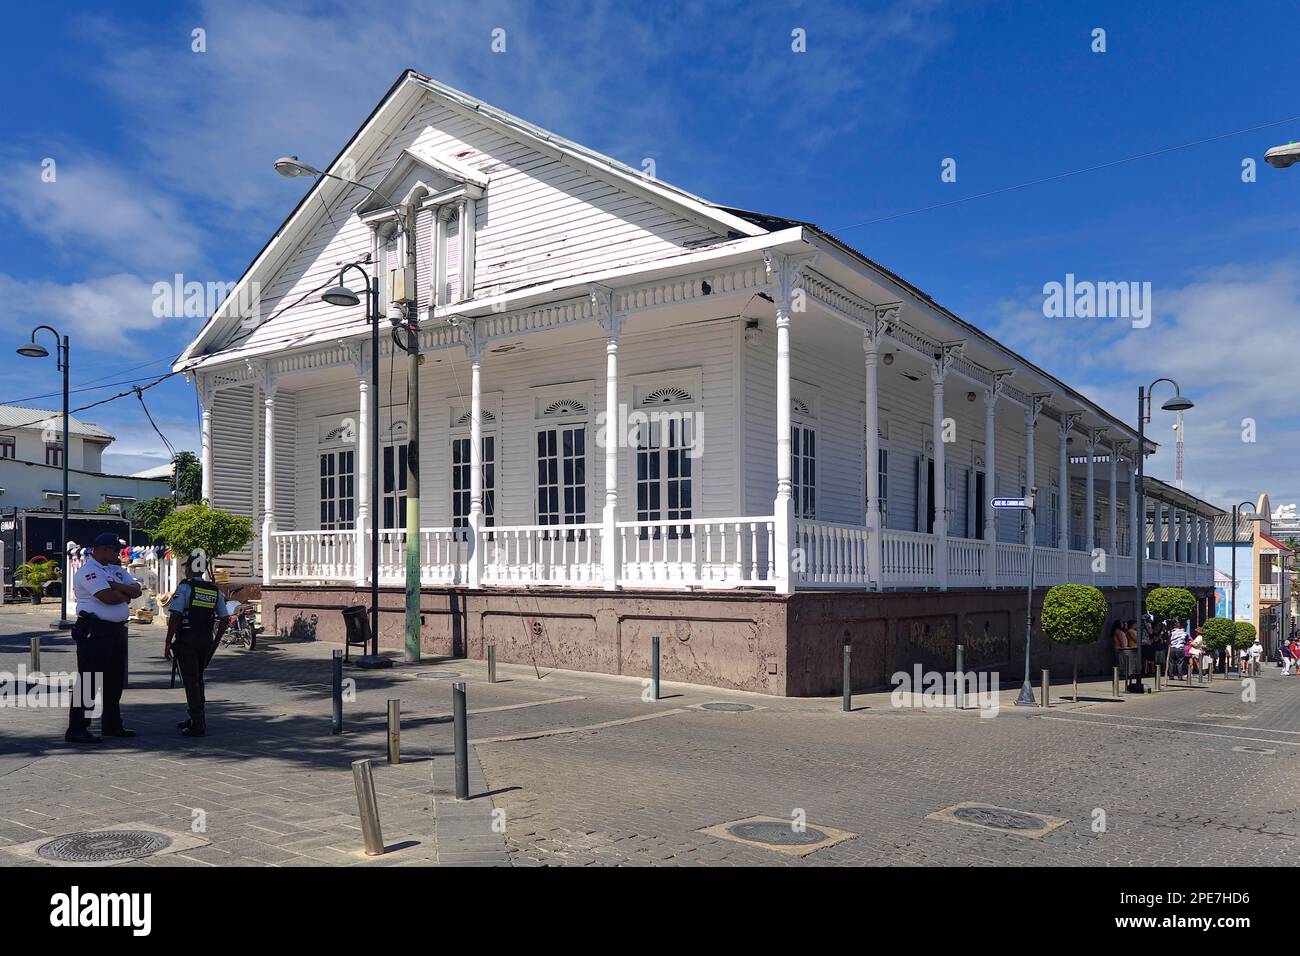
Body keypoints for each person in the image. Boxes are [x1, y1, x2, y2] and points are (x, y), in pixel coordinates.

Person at [66, 533, 142, 744]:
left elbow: (136, 591)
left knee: (114, 681)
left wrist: (117, 587)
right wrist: (123, 593)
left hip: (116, 631)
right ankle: (77, 728)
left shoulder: (116, 571)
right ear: (102, 549)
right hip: (95, 630)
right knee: (89, 681)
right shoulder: (88, 571)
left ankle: (112, 723)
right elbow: (107, 598)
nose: (118, 553)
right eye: (114, 549)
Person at [164, 554, 228, 737]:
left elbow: (175, 615)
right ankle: (196, 717)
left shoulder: (185, 587)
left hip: (187, 641)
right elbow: (224, 619)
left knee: (191, 681)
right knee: (198, 679)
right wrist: (215, 643)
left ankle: (197, 723)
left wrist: (168, 641)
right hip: (206, 640)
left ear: (188, 569)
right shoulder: (214, 589)